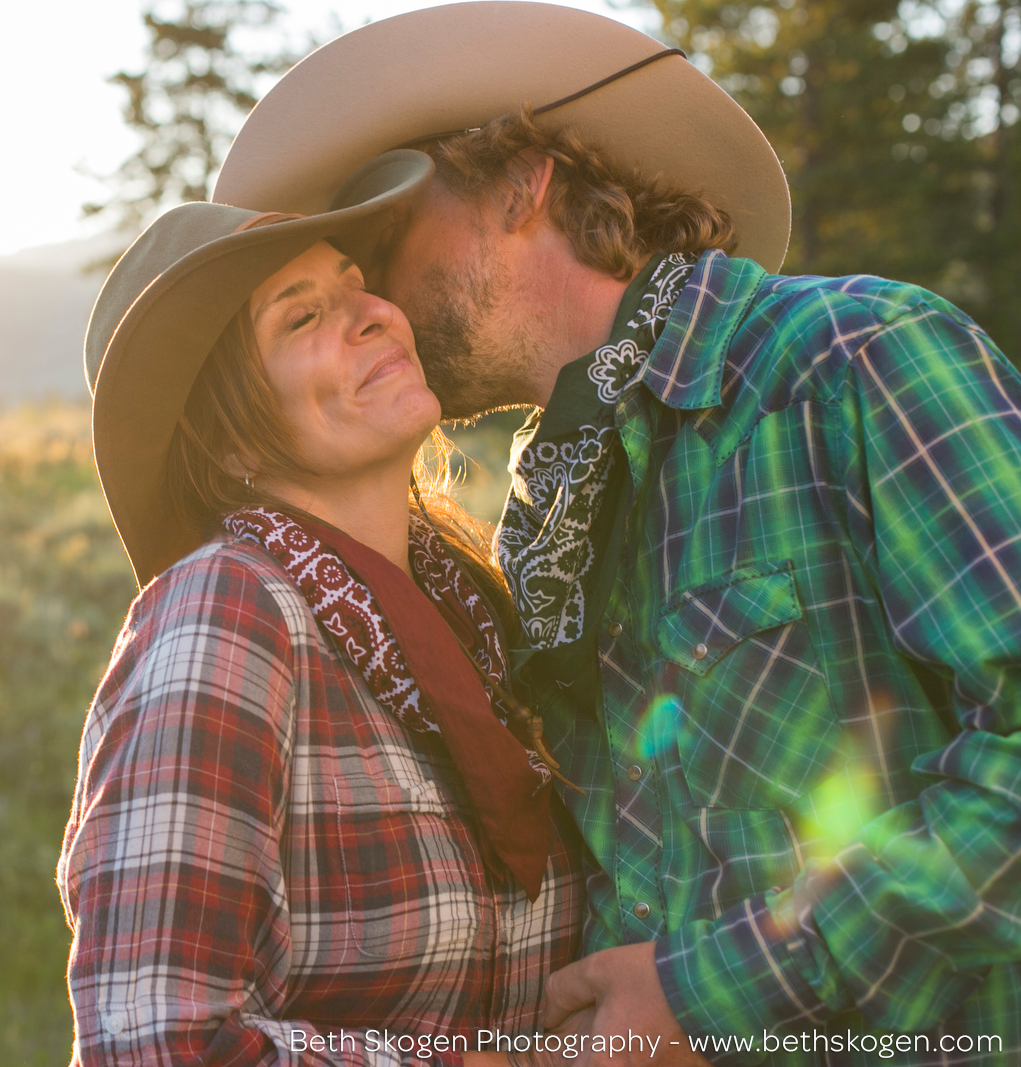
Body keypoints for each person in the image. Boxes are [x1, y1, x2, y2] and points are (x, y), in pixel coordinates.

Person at [212, 5, 1021, 1066]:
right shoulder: (543, 515)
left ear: (519, 182)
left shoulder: (850, 360)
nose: (378, 304)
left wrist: (708, 991)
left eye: (381, 241)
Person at [58, 150, 590, 1067]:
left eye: (357, 285)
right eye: (304, 315)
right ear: (225, 442)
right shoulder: (226, 617)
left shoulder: (473, 615)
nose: (376, 314)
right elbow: (150, 1048)